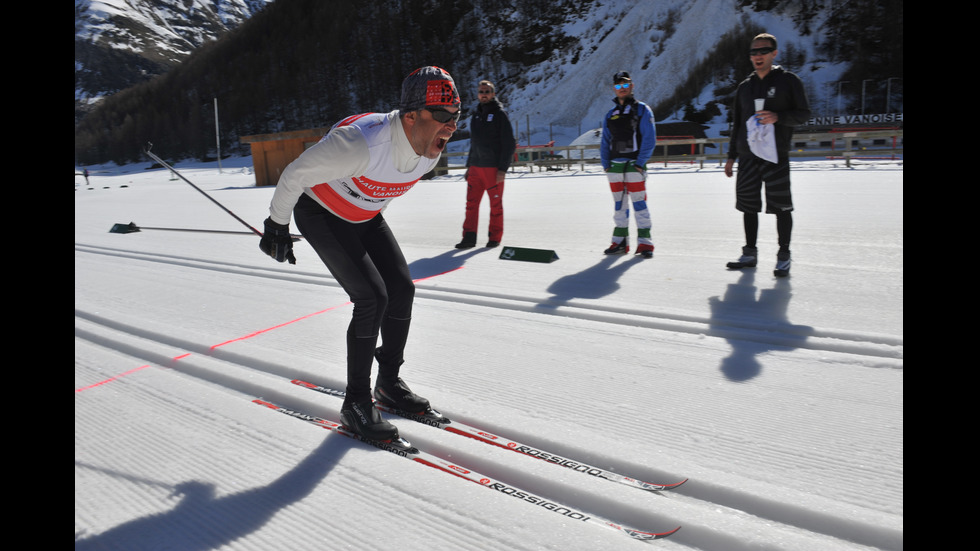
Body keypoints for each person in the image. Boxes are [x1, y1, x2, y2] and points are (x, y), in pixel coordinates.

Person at [258, 66, 461, 442]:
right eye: (443, 116)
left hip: (364, 214)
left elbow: (380, 187)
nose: (451, 126)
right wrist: (277, 226)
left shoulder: (431, 152)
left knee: (401, 289)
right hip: (319, 210)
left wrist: (363, 213)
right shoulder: (359, 143)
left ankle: (387, 384)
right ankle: (355, 403)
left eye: (456, 116)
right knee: (371, 297)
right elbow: (293, 175)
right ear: (412, 115)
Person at [724, 33, 811, 277]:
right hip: (747, 156)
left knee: (782, 207)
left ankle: (784, 255)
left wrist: (778, 117)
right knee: (748, 207)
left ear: (775, 53)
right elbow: (737, 124)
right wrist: (731, 156)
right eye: (753, 52)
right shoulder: (745, 87)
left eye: (763, 50)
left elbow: (804, 114)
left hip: (775, 155)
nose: (758, 56)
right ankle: (749, 253)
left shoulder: (789, 81)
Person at [600, 71, 657, 258]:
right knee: (619, 206)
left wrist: (640, 163)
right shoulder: (610, 114)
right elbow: (605, 141)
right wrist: (606, 164)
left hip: (634, 165)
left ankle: (645, 244)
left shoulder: (642, 110)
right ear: (614, 89)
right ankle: (619, 242)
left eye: (625, 85)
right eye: (618, 86)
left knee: (640, 204)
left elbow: (649, 138)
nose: (622, 88)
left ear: (632, 86)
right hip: (615, 166)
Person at [455, 80, 516, 249]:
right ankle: (468, 238)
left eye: (487, 91)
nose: (484, 94)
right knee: (471, 204)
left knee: (495, 205)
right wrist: (469, 166)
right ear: (478, 94)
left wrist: (502, 169)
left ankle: (494, 237)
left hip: (493, 169)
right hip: (476, 167)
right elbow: (474, 143)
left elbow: (509, 143)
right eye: (481, 91)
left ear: (493, 94)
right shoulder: (476, 115)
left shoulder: (499, 115)